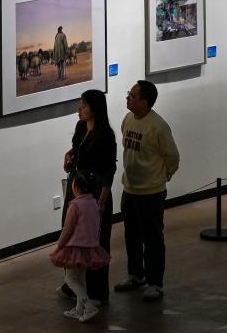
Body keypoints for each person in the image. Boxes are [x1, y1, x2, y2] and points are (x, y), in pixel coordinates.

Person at [114, 80, 180, 302]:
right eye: (129, 93)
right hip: (130, 189)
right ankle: (136, 275)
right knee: (131, 236)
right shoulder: (128, 119)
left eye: (132, 95)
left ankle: (155, 283)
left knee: (152, 239)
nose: (128, 98)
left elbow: (173, 157)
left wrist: (163, 176)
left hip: (151, 193)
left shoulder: (158, 127)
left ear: (144, 102)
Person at [58, 89, 116, 305]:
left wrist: (102, 198)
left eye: (83, 104)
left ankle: (97, 291)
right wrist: (69, 155)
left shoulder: (106, 135)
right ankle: (74, 284)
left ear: (95, 108)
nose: (79, 108)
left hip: (94, 192)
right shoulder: (81, 128)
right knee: (72, 235)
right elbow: (77, 151)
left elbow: (109, 169)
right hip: (77, 189)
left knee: (94, 240)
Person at [50, 169, 111, 323]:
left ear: (76, 187)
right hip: (89, 248)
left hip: (75, 249)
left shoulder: (75, 206)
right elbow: (97, 226)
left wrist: (59, 246)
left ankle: (88, 307)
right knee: (81, 279)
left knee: (70, 279)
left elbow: (67, 229)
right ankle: (79, 310)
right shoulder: (95, 203)